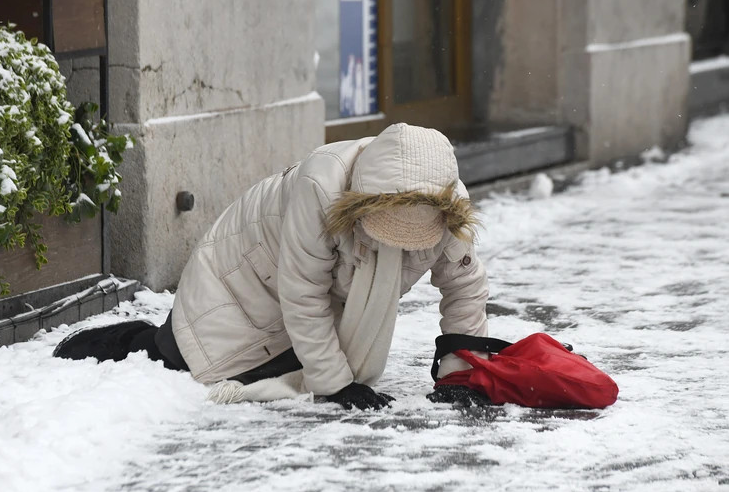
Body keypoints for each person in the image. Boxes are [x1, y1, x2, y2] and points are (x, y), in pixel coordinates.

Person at [54, 123, 489, 410]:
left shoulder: (448, 208)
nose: (399, 242)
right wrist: (336, 384)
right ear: (363, 202)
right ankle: (130, 340)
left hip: (308, 297)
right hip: (240, 280)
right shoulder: (321, 189)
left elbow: (464, 288)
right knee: (180, 355)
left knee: (293, 364)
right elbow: (304, 294)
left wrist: (461, 374)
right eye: (390, 227)